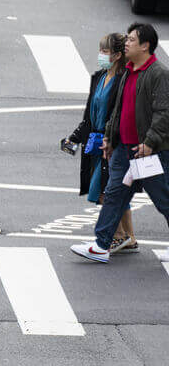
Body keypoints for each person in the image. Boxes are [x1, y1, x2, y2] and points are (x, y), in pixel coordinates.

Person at [73, 23, 169, 263]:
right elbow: (119, 109)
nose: (126, 43)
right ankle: (101, 245)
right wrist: (109, 136)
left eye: (132, 40)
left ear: (145, 45)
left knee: (164, 199)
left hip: (148, 152)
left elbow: (164, 113)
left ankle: (103, 244)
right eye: (127, 39)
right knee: (114, 195)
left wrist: (150, 142)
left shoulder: (158, 73)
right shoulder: (128, 70)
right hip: (124, 149)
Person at [65, 33, 135, 252]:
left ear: (116, 55)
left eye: (105, 51)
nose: (101, 55)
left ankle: (117, 236)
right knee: (117, 190)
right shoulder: (99, 76)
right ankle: (129, 237)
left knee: (105, 190)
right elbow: (89, 112)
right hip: (96, 141)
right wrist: (74, 137)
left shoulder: (123, 80)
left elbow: (120, 113)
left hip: (111, 142)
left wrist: (112, 139)